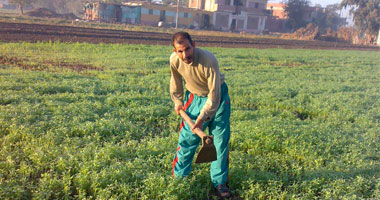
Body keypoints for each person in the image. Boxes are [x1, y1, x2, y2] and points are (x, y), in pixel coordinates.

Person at [170, 32, 231, 198]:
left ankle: (219, 183)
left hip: (217, 98)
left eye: (188, 49)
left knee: (219, 141)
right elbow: (175, 82)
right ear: (175, 51)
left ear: (194, 45)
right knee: (187, 139)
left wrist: (201, 118)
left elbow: (214, 97)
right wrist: (177, 101)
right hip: (195, 98)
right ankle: (180, 179)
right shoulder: (174, 60)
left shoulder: (208, 61)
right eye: (180, 51)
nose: (185, 54)